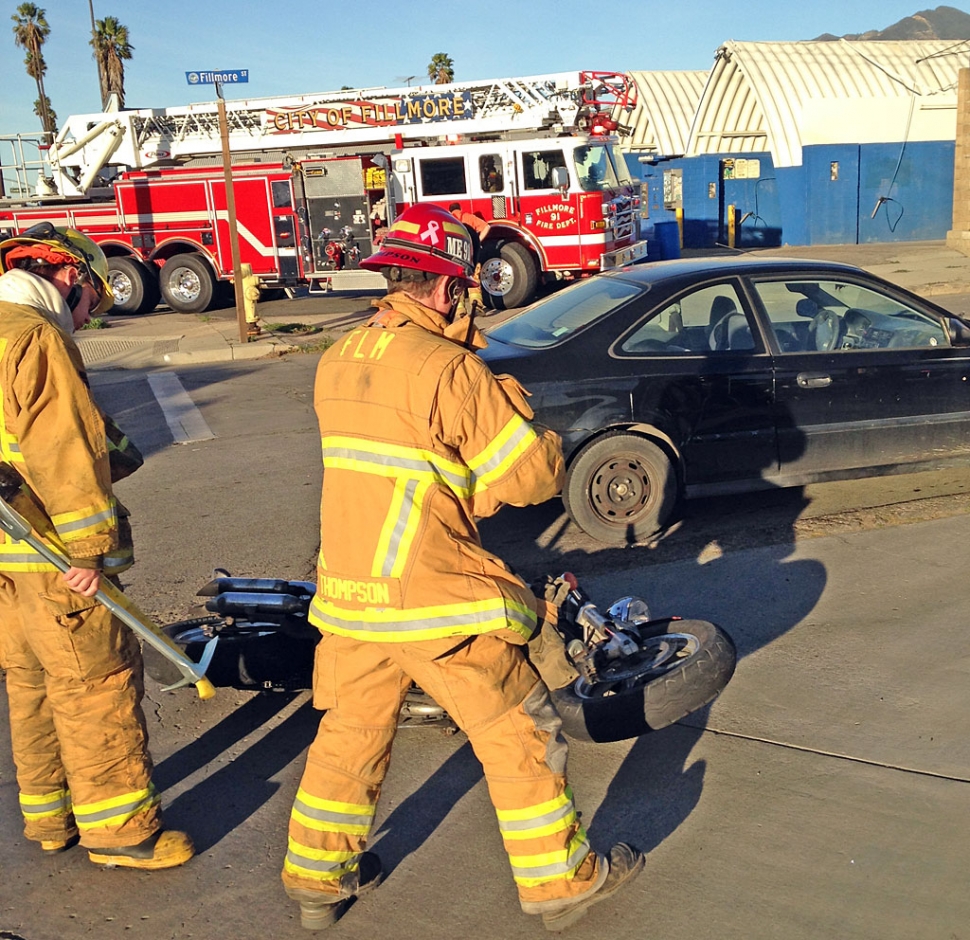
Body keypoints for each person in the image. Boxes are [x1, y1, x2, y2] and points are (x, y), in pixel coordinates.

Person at [281, 203, 643, 931]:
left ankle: (318, 885)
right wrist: (533, 431)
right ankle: (560, 883)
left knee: (350, 732)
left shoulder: (339, 357)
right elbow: (524, 481)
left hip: (351, 593)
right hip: (430, 595)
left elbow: (405, 466)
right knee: (518, 727)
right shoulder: (448, 369)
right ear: (449, 289)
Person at [0, 223, 193, 870]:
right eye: (89, 303)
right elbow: (64, 453)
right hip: (50, 551)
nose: (85, 321)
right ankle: (122, 834)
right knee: (93, 682)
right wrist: (89, 553)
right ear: (68, 277)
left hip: (4, 559)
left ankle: (49, 817)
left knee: (29, 683)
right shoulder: (35, 338)